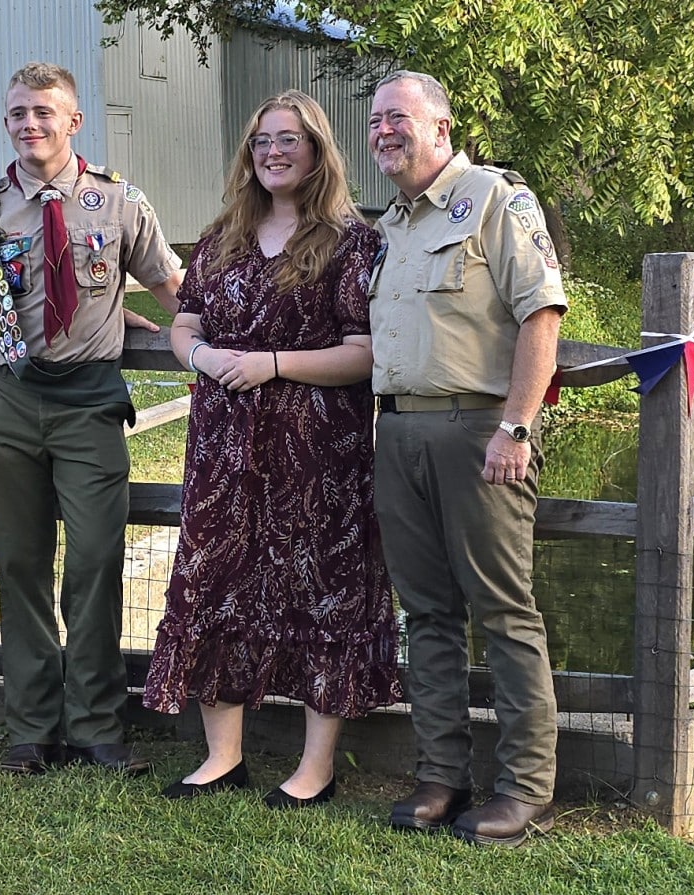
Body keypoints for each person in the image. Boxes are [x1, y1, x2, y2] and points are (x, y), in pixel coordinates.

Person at [143, 90, 402, 809]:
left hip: (318, 450)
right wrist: (200, 358)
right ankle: (222, 756)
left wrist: (274, 363)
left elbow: (366, 353)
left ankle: (314, 767)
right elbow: (184, 320)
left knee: (322, 589)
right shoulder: (224, 232)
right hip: (223, 449)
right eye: (262, 142)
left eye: (289, 140)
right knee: (211, 579)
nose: (273, 153)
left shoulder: (354, 242)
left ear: (318, 152)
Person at [0, 62, 181, 777]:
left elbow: (170, 286)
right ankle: (31, 726)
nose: (31, 124)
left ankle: (96, 724)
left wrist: (208, 348)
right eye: (19, 112)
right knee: (20, 563)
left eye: (45, 112)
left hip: (88, 402)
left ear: (74, 121)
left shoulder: (117, 203)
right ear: (7, 122)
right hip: (10, 401)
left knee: (94, 561)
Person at [367, 70, 567, 846]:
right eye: (377, 119)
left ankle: (522, 790)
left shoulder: (493, 200)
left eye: (400, 118)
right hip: (401, 433)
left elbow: (541, 313)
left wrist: (515, 426)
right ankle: (441, 776)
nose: (384, 130)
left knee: (505, 613)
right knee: (427, 613)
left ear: (442, 127)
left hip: (479, 430)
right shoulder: (390, 224)